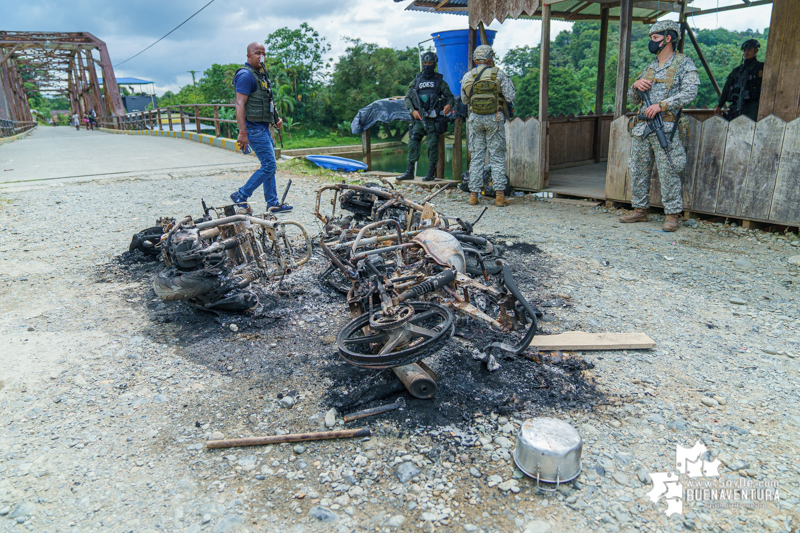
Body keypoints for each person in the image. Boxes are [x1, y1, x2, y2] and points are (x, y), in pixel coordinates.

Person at [620, 21, 699, 232]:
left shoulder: (684, 63)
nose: (651, 42)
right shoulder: (650, 67)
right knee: (637, 169)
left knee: (669, 171)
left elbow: (690, 93)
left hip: (667, 128)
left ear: (668, 38)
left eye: (655, 38)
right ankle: (639, 210)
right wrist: (635, 86)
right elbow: (632, 98)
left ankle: (672, 215)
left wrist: (662, 105)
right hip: (642, 128)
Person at [229, 42, 291, 212]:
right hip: (253, 128)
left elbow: (265, 101)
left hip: (263, 127)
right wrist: (243, 132)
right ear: (248, 56)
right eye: (257, 53)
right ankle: (241, 195)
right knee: (269, 165)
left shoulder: (261, 75)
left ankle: (272, 203)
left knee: (269, 166)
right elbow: (239, 104)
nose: (261, 56)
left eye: (263, 53)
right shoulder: (246, 75)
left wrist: (275, 118)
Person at [459, 45, 516, 207]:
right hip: (495, 118)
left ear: (476, 60)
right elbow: (511, 96)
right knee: (497, 156)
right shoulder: (499, 74)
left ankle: (473, 196)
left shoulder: (468, 76)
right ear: (491, 59)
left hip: (475, 119)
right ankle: (499, 196)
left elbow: (464, 100)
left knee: (476, 157)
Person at [397, 51, 455, 182]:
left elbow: (450, 97)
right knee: (413, 143)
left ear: (434, 64)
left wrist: (449, 105)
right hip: (419, 119)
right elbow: (407, 98)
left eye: (430, 63)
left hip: (433, 120)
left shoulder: (439, 81)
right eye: (425, 63)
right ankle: (409, 172)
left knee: (432, 145)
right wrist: (412, 111)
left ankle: (430, 173)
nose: (427, 65)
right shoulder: (417, 80)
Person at [715, 39, 763, 121]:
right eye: (745, 51)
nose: (746, 53)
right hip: (737, 106)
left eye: (749, 50)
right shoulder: (737, 71)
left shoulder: (761, 67)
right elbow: (726, 88)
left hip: (753, 107)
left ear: (756, 50)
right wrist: (720, 105)